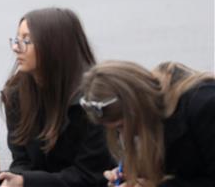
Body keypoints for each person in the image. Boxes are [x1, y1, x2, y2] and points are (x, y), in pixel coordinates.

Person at [0, 8, 115, 187]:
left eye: (26, 40)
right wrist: (15, 179)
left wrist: (27, 182)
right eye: (17, 39)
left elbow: (91, 175)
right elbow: (21, 161)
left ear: (54, 46)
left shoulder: (93, 100)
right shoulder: (16, 93)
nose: (16, 47)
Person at [80, 61, 215, 186]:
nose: (124, 135)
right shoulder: (153, 117)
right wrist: (134, 176)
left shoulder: (205, 107)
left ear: (137, 107)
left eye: (121, 126)